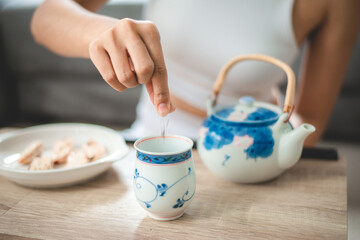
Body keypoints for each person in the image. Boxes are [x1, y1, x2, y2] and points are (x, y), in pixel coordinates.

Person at [31, 0, 360, 145]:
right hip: (147, 138)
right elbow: (44, 17)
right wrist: (102, 33)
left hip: (254, 151)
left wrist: (267, 138)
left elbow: (311, 119)